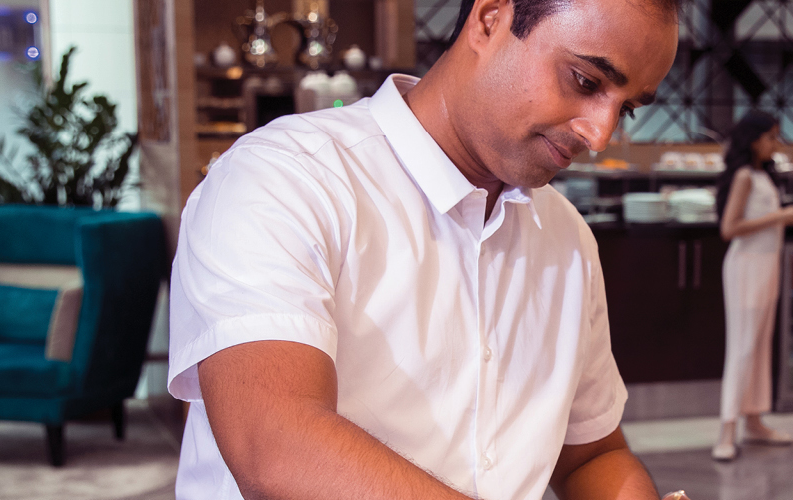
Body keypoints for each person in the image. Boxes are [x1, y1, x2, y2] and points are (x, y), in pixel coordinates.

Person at [165, 0, 682, 498]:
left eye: (627, 110)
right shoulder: (284, 179)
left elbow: (591, 455)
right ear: (490, 19)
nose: (600, 134)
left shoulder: (566, 236)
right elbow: (275, 448)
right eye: (585, 81)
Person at [711, 110, 793, 461]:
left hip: (767, 267)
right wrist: (783, 214)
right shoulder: (742, 177)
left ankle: (754, 420)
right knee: (742, 346)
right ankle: (727, 428)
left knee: (759, 345)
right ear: (753, 139)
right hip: (746, 268)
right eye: (770, 137)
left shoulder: (761, 175)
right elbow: (730, 227)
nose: (774, 143)